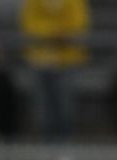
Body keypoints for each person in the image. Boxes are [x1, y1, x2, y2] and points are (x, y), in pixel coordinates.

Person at [19, 0, 90, 139]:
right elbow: (29, 23)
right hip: (39, 60)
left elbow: (78, 23)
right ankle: (46, 152)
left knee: (66, 111)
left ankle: (66, 154)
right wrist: (54, 31)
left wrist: (49, 32)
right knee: (42, 113)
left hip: (67, 61)